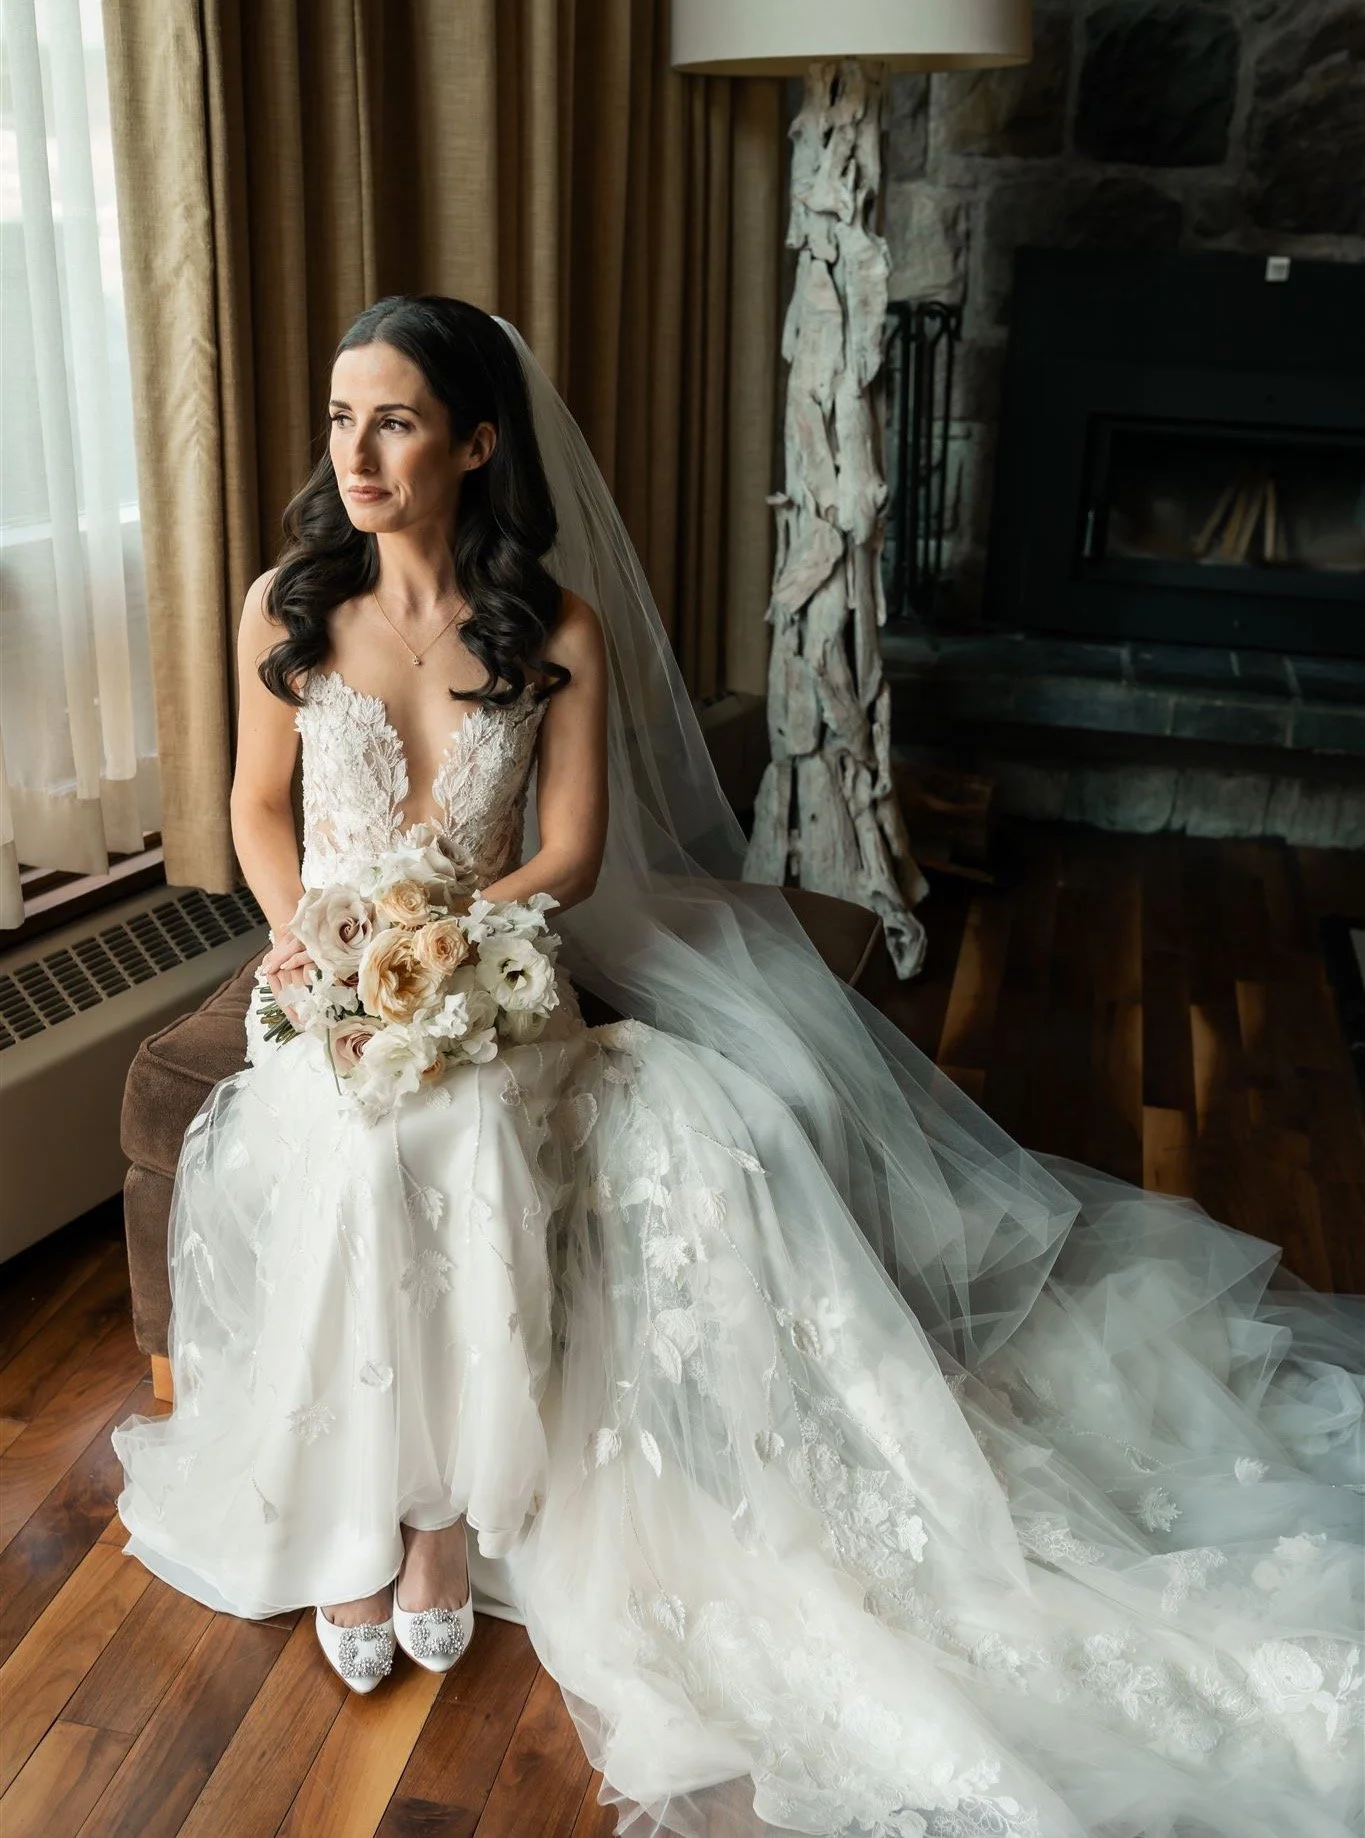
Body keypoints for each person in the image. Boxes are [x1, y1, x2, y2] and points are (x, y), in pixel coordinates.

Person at [113, 296, 1363, 1838]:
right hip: (332, 983)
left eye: (394, 420)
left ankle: (438, 1517)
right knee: (367, 1141)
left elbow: (567, 858)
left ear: (476, 442)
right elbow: (254, 807)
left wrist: (442, 934)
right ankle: (363, 1514)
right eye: (337, 418)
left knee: (465, 1129)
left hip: (496, 981)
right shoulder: (286, 609)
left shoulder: (550, 629)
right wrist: (316, 939)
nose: (353, 453)